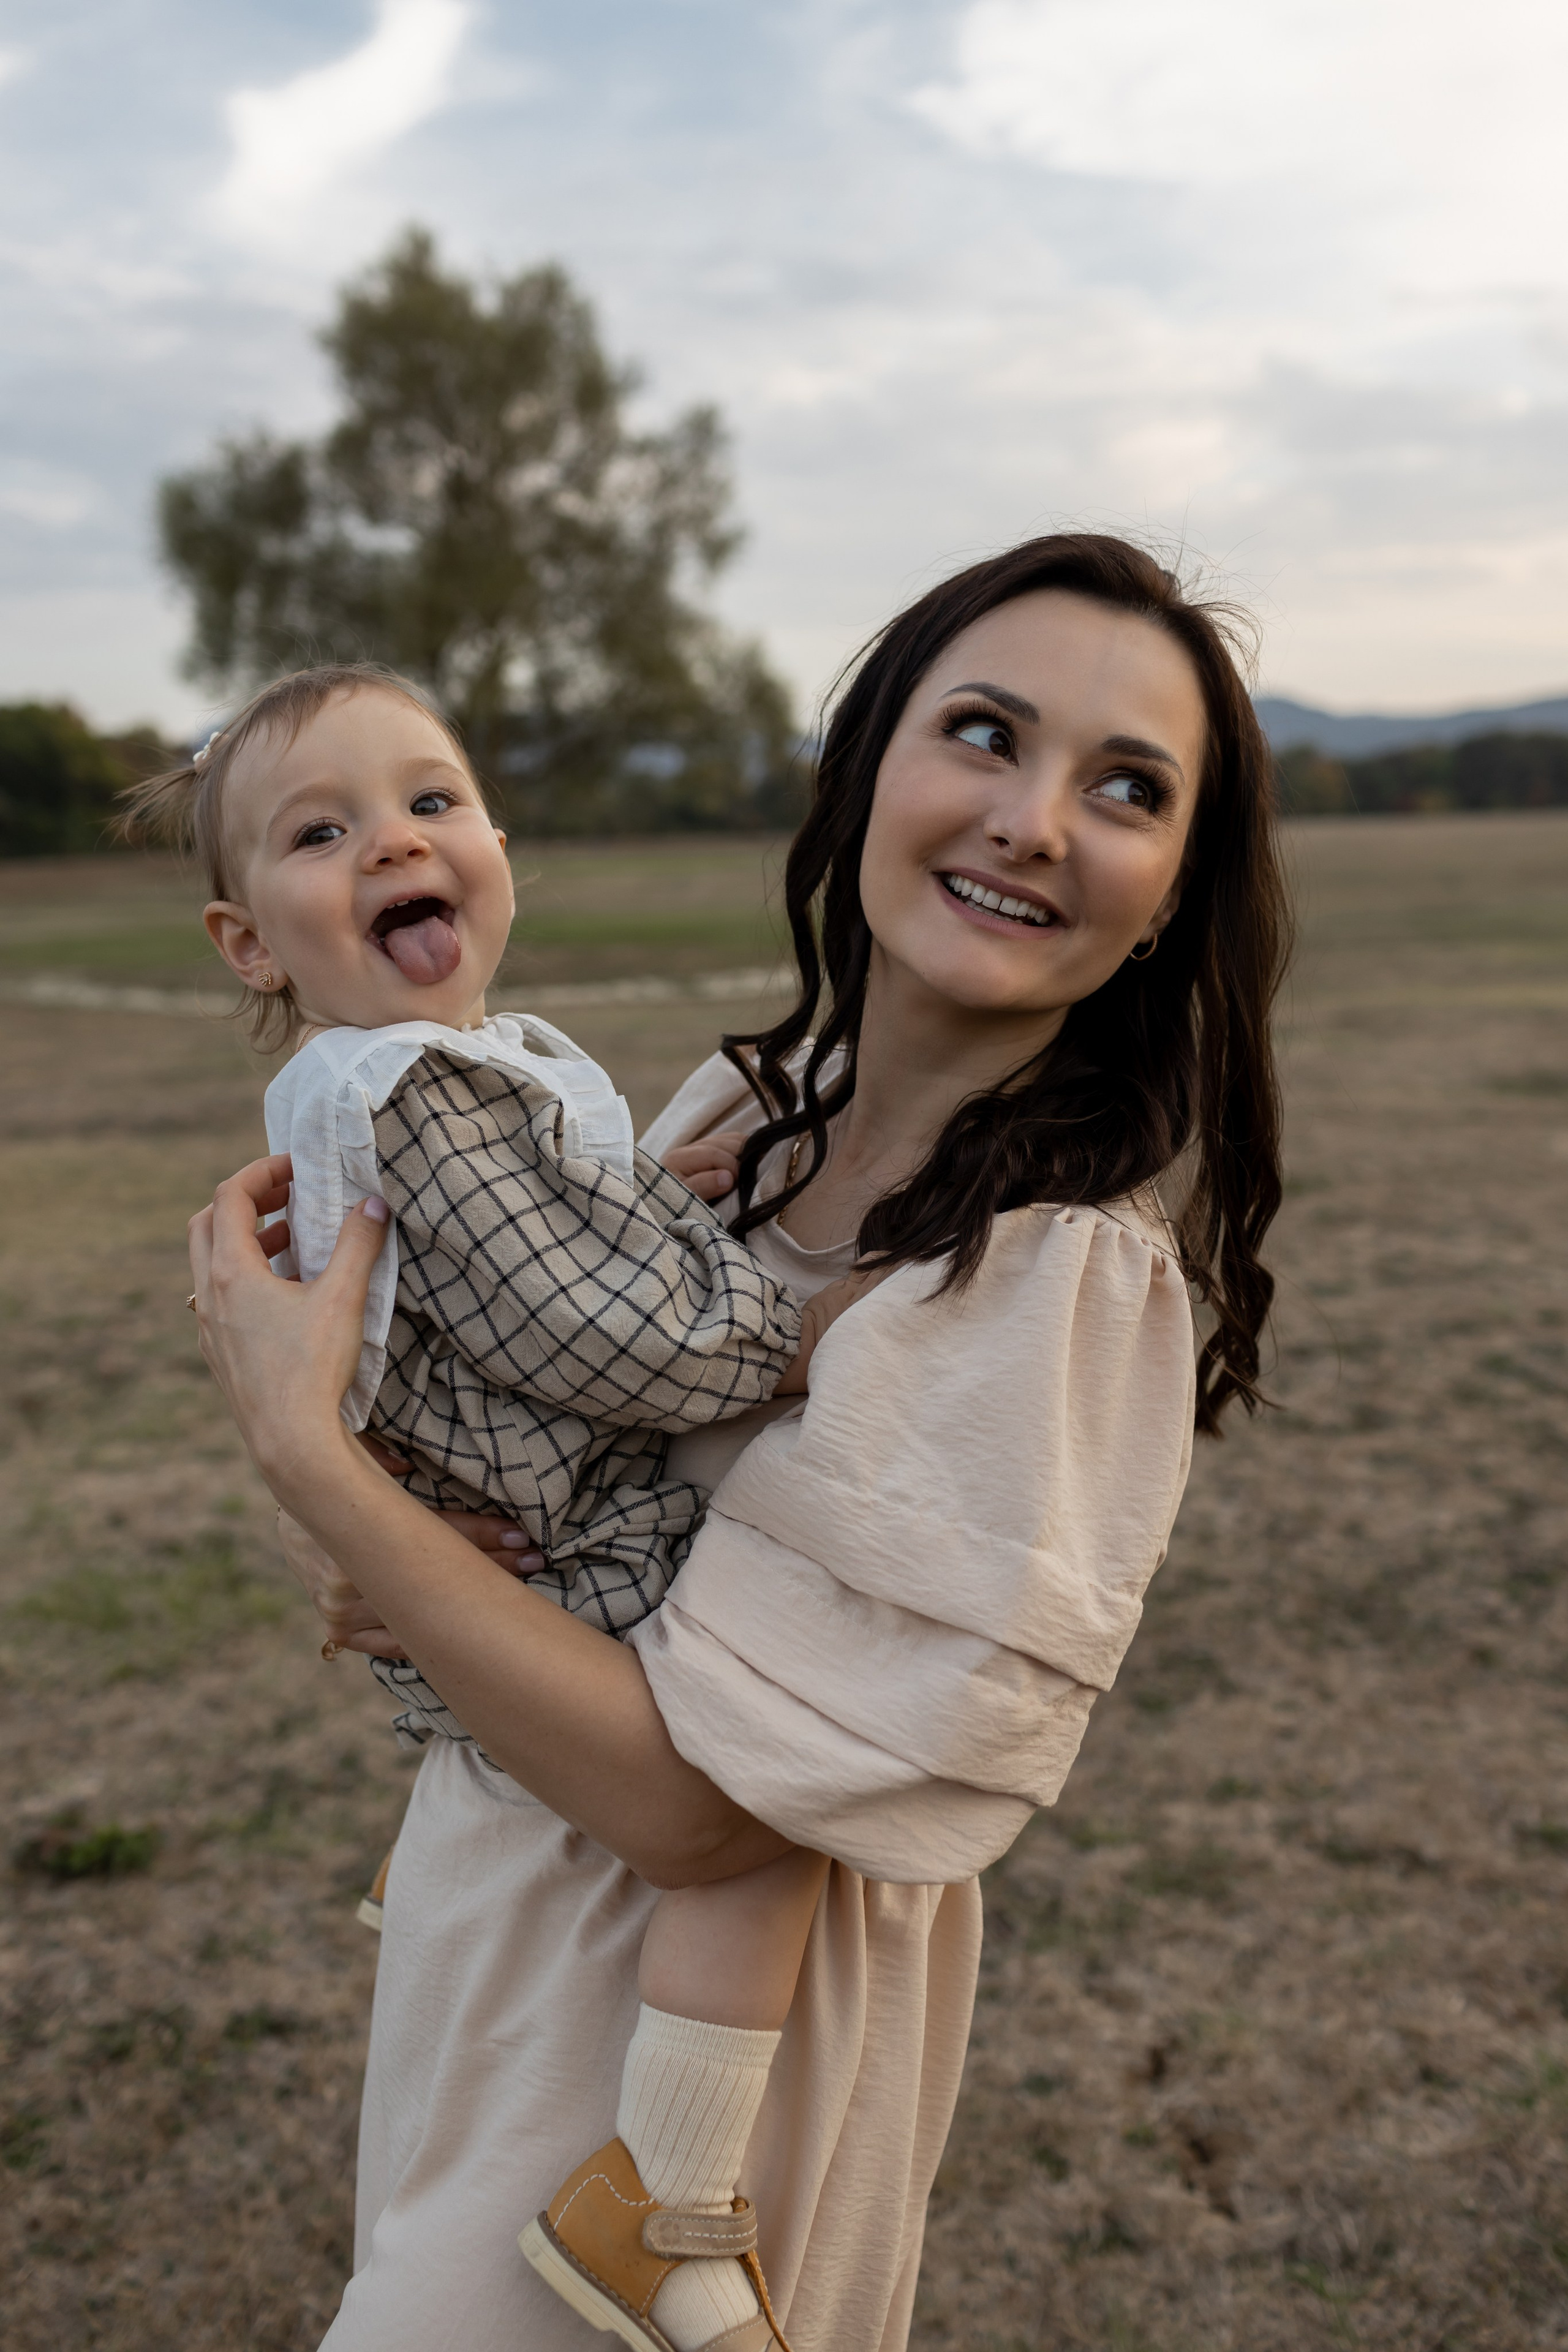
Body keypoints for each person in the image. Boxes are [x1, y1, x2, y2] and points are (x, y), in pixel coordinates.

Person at [187, 533, 1291, 2352]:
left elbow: (711, 1811)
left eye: (1125, 788)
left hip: (696, 2067)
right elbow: (497, 1431)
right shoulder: (743, 1119)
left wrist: (311, 1466)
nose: (1031, 819)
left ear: (1169, 888)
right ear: (865, 770)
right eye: (986, 734)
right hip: (498, 1928)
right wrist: (377, 1516)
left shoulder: (1056, 1277)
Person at [126, 663, 878, 2351]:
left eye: (431, 801)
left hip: (491, 1548)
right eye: (324, 833)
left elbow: (543, 1255)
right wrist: (786, 1334)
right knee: (783, 1802)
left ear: (496, 843)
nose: (395, 840)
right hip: (561, 1550)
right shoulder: (419, 1094)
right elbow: (584, 1327)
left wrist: (637, 1201)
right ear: (249, 940)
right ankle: (665, 2209)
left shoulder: (444, 1078)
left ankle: (473, 1889)